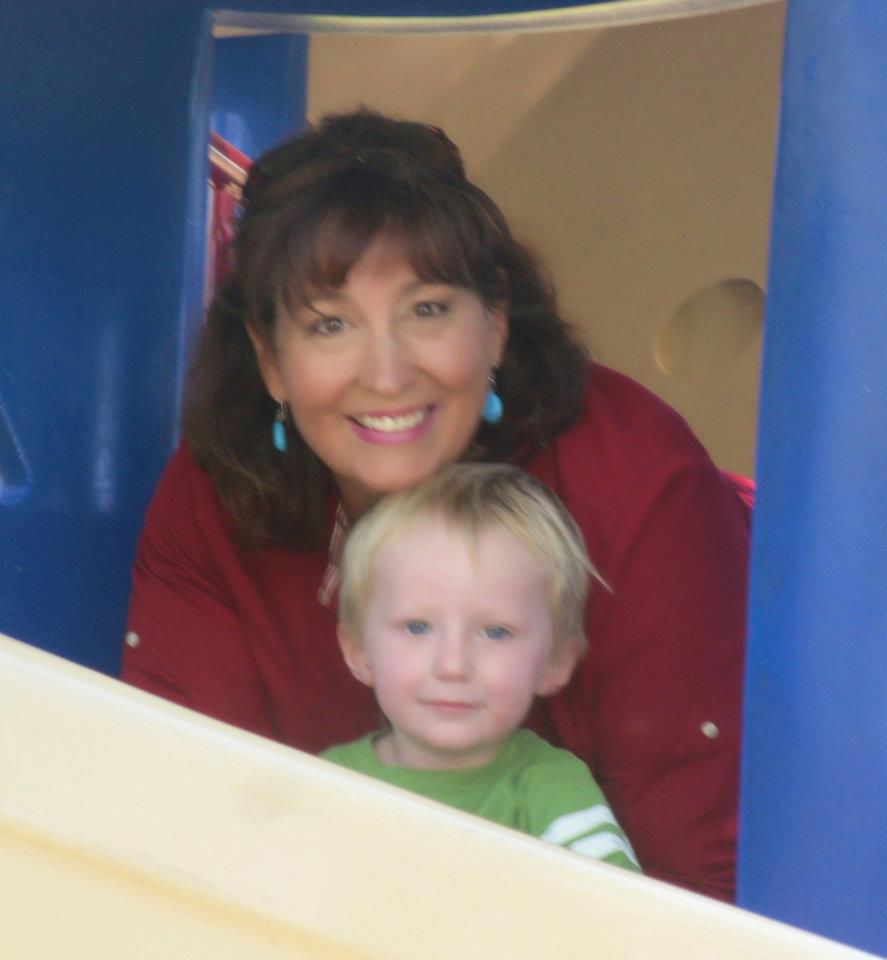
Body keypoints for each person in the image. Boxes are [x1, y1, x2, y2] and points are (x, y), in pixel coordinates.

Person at [122, 108, 750, 900]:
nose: (386, 375)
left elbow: (707, 880)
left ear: (494, 323)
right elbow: (182, 832)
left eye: (426, 310)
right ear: (270, 359)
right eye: (329, 324)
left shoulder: (634, 480)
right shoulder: (217, 493)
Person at [322, 461, 640, 873]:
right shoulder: (323, 782)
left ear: (557, 660)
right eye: (417, 627)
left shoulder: (551, 792)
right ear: (359, 651)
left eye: (495, 632)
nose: (453, 664)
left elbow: (613, 908)